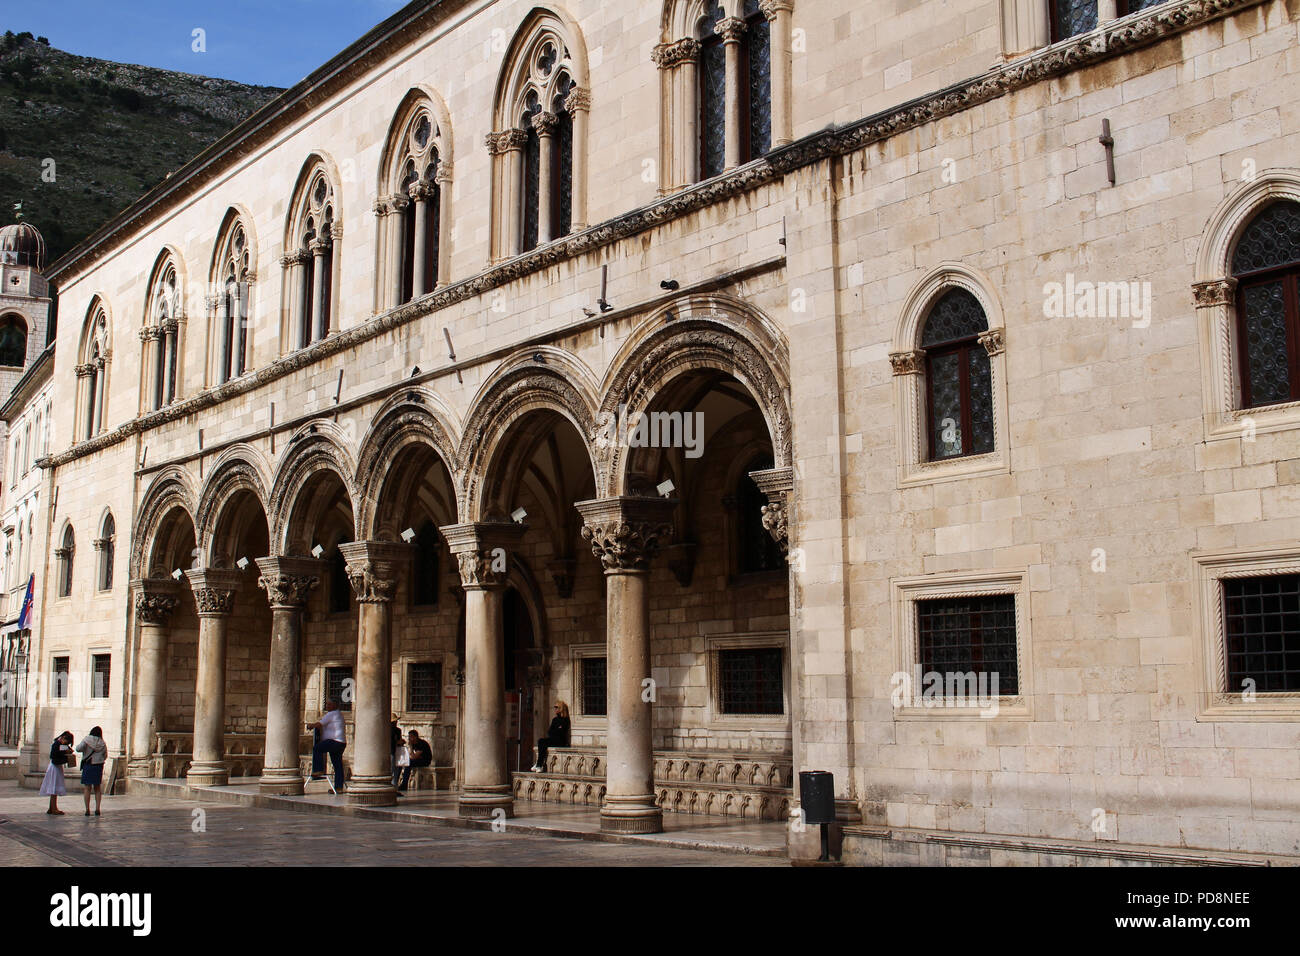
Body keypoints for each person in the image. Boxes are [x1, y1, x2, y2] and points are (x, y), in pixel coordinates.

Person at [307, 700, 346, 793]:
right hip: (341, 743)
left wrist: (310, 726)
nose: (327, 706)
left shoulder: (331, 714)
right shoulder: (339, 714)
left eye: (329, 704)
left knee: (317, 748)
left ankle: (318, 770)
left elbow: (319, 724)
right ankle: (338, 787)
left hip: (334, 741)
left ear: (334, 705)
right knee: (337, 765)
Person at [39, 731, 75, 815]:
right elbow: (54, 758)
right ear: (63, 738)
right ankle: (54, 808)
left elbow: (68, 750)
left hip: (57, 767)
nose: (66, 744)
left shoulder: (60, 744)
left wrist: (68, 751)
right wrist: (66, 759)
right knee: (54, 788)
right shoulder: (56, 744)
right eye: (66, 742)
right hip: (55, 767)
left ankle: (51, 807)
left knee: (54, 787)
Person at [76, 726, 109, 816]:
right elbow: (105, 755)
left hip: (88, 765)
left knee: (87, 788)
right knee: (97, 788)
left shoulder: (87, 740)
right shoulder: (102, 743)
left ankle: (87, 809)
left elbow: (78, 748)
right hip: (98, 766)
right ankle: (97, 808)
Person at [532, 701, 570, 772]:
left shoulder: (565, 720)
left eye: (556, 707)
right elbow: (550, 732)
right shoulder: (555, 720)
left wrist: (556, 731)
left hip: (560, 741)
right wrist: (557, 730)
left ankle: (539, 764)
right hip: (553, 739)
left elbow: (561, 733)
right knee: (541, 741)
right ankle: (539, 764)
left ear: (561, 708)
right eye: (554, 707)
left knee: (543, 743)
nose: (555, 709)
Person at [390, 714, 403, 790]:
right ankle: (393, 788)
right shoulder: (390, 730)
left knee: (396, 770)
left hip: (395, 752)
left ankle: (395, 787)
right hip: (391, 751)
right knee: (393, 770)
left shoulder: (397, 730)